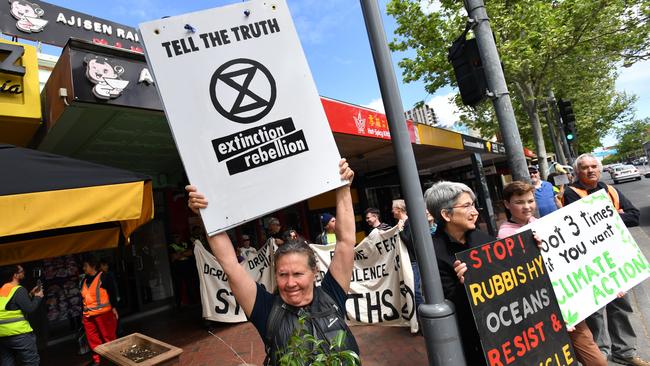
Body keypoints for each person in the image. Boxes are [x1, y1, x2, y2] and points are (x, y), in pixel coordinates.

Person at [186, 159, 359, 365]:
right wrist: (208, 216)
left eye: (297, 274)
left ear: (314, 272)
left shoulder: (332, 294)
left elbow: (346, 241)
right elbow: (231, 266)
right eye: (282, 274)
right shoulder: (266, 310)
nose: (290, 282)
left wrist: (343, 186)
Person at [497, 181, 607, 366]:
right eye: (519, 202)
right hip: (543, 311)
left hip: (566, 303)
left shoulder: (539, 223)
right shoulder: (505, 236)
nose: (527, 207)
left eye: (530, 201)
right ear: (507, 205)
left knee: (592, 354)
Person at [563, 153, 649, 366]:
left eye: (594, 166)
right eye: (584, 167)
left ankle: (624, 352)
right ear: (577, 172)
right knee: (594, 311)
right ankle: (600, 356)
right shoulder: (569, 193)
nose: (590, 170)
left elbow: (634, 216)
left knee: (620, 305)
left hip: (615, 260)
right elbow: (584, 223)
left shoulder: (611, 190)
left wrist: (611, 215)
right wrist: (615, 214)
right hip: (588, 263)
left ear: (600, 169)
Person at [424, 181, 494, 365]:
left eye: (473, 204)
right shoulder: (432, 253)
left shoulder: (481, 237)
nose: (475, 211)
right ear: (446, 214)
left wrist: (529, 247)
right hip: (471, 340)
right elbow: (446, 302)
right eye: (467, 205)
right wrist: (463, 285)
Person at [0, 264, 43, 366]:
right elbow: (30, 309)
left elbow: (11, 305)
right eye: (22, 271)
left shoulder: (3, 289)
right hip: (19, 334)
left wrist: (31, 294)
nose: (24, 273)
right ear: (15, 275)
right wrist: (38, 297)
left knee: (7, 361)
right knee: (31, 362)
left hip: (2, 334)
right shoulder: (19, 289)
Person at [80, 256, 118, 366]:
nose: (84, 268)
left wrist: (114, 308)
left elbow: (112, 292)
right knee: (93, 339)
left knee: (108, 338)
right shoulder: (84, 280)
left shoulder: (104, 277)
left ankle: (114, 359)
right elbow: (83, 298)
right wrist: (83, 315)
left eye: (85, 266)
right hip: (88, 316)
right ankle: (97, 360)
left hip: (103, 314)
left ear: (92, 266)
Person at [392, 199, 422, 308]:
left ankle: (421, 316)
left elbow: (409, 242)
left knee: (414, 290)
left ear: (399, 209)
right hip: (408, 261)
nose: (392, 211)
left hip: (413, 261)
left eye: (393, 209)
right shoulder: (404, 223)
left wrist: (400, 230)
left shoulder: (408, 223)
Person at [168, 233, 198, 306]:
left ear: (180, 236)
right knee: (178, 287)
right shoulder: (171, 246)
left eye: (177, 236)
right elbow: (174, 256)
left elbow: (191, 253)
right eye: (174, 236)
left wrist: (180, 254)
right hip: (178, 268)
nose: (176, 238)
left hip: (187, 267)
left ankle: (193, 302)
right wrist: (184, 253)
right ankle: (179, 305)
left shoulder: (185, 243)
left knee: (190, 285)